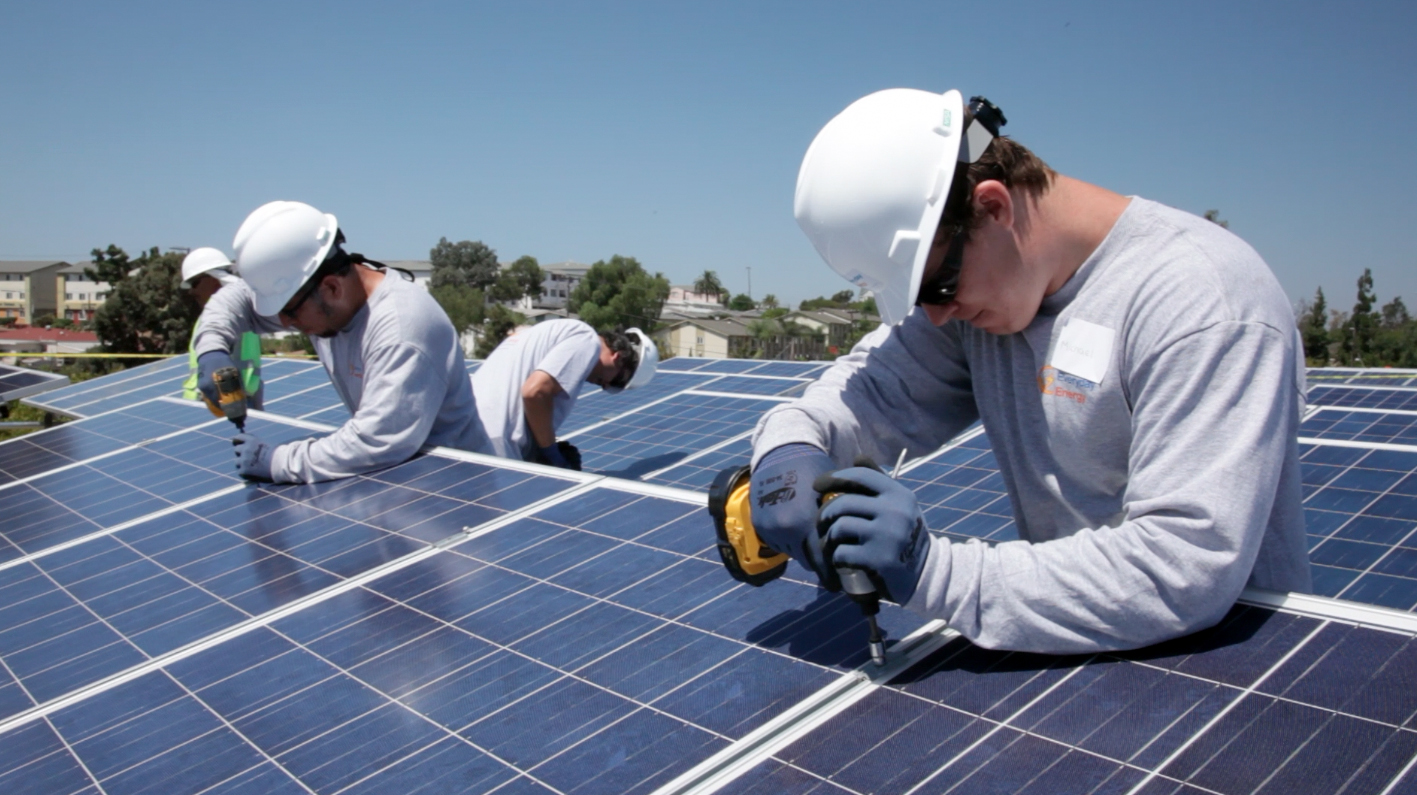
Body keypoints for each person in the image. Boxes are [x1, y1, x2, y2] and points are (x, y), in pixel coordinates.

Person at [751, 88, 1310, 655]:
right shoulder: (983, 292)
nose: (937, 315)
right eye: (918, 299)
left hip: (1227, 668)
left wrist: (934, 572)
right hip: (1075, 651)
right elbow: (870, 393)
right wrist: (789, 449)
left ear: (993, 207)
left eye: (937, 287)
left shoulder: (1204, 302)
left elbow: (1182, 567)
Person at [194, 200, 490, 483]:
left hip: (455, 484)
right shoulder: (322, 302)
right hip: (403, 475)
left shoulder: (402, 329)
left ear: (332, 288)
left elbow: (377, 440)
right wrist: (212, 350)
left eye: (289, 312)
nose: (283, 323)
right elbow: (237, 299)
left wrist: (278, 462)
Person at [471, 318, 658, 469]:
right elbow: (535, 392)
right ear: (619, 357)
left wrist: (539, 449)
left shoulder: (550, 333)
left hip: (469, 428)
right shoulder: (586, 339)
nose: (605, 386)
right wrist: (551, 452)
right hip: (493, 441)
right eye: (618, 381)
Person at [181, 247, 263, 410]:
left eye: (194, 283)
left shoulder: (226, 317)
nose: (191, 291)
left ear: (214, 280)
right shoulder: (241, 312)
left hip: (219, 404)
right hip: (229, 402)